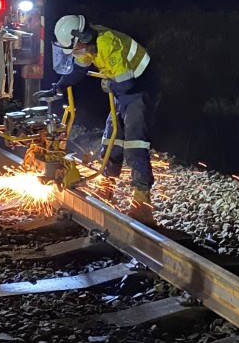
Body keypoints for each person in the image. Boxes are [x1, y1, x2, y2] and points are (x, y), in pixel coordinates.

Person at [48, 14, 159, 221]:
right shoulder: (86, 44)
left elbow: (127, 84)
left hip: (141, 87)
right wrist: (58, 87)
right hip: (122, 87)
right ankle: (107, 188)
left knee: (135, 142)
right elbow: (79, 71)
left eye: (76, 48)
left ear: (83, 37)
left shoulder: (107, 43)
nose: (76, 53)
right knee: (111, 138)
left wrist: (111, 85)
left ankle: (142, 203)